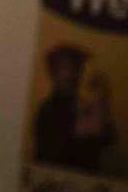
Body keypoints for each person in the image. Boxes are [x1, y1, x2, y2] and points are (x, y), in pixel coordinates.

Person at [35, 44, 117, 172]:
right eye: (65, 68)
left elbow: (108, 137)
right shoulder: (47, 110)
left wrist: (102, 98)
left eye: (77, 67)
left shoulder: (84, 104)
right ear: (53, 73)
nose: (72, 74)